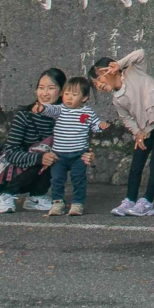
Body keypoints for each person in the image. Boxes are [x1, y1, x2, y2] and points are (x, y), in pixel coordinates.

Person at [92, 50, 154, 217]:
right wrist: (137, 133)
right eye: (95, 84)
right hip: (146, 127)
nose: (98, 85)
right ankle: (129, 200)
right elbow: (126, 118)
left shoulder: (133, 71)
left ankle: (147, 202)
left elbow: (140, 53)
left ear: (111, 70)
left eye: (99, 78)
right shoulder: (117, 99)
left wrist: (119, 63)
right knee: (136, 162)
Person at [0, 69, 64, 214]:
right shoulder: (24, 116)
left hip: (42, 166)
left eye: (51, 88)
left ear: (61, 92)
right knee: (43, 155)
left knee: (61, 156)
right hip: (12, 171)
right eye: (41, 88)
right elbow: (10, 153)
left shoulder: (64, 118)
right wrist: (39, 158)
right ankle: (7, 195)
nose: (45, 93)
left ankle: (36, 196)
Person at [45, 74, 103, 215]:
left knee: (78, 179)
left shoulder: (87, 112)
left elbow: (95, 126)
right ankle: (57, 203)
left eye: (74, 95)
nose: (69, 98)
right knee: (57, 179)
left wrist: (101, 126)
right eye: (66, 94)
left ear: (84, 98)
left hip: (79, 154)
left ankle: (77, 203)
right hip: (59, 154)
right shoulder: (60, 109)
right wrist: (41, 108)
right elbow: (49, 110)